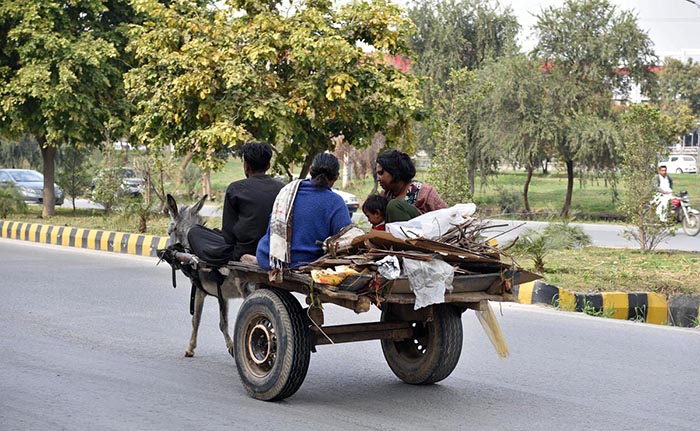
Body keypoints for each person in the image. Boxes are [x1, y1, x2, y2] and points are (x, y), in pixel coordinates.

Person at [187, 142, 284, 265]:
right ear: (268, 165)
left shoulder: (235, 189)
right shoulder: (283, 188)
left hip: (242, 251)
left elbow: (228, 235)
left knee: (195, 232)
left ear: (246, 166)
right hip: (274, 250)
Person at [256, 152, 352, 270]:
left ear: (311, 170)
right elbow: (346, 240)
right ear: (336, 176)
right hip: (307, 263)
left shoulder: (287, 191)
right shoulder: (336, 202)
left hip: (269, 258)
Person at [376, 149, 447, 216]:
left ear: (394, 171)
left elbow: (448, 216)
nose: (378, 178)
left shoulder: (424, 193)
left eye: (381, 173)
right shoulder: (386, 196)